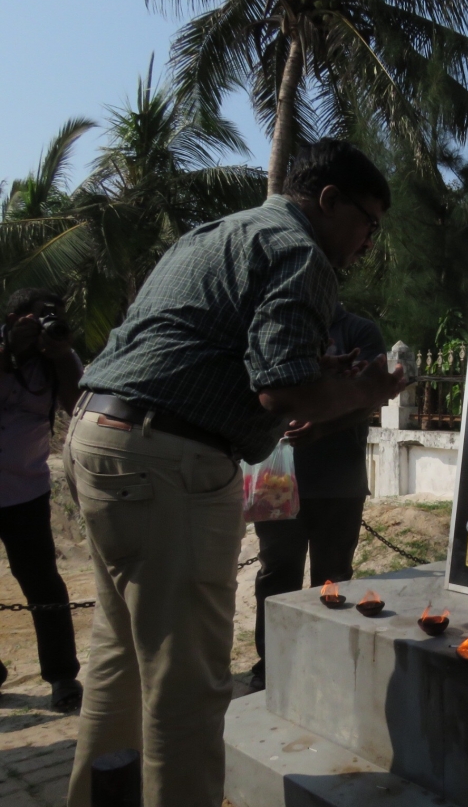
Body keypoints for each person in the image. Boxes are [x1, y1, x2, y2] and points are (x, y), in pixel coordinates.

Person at [63, 139, 406, 807]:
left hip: (100, 439)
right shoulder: (301, 251)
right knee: (187, 684)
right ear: (330, 201)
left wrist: (317, 378)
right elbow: (282, 393)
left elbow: (212, 348)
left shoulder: (215, 233)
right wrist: (365, 391)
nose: (367, 243)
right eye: (369, 222)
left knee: (121, 662)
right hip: (171, 463)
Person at [249, 304, 384, 691]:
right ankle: (271, 663)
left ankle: (330, 661)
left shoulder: (359, 331)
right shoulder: (275, 328)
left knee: (334, 576)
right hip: (277, 480)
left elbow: (371, 401)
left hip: (338, 481)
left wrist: (322, 429)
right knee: (277, 574)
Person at [0, 289, 84, 710]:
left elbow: (79, 406)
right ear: (15, 318)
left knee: (42, 584)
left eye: (57, 315)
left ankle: (62, 677)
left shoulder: (57, 361)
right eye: (40, 317)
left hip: (25, 492)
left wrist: (62, 355)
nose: (50, 322)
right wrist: (7, 350)